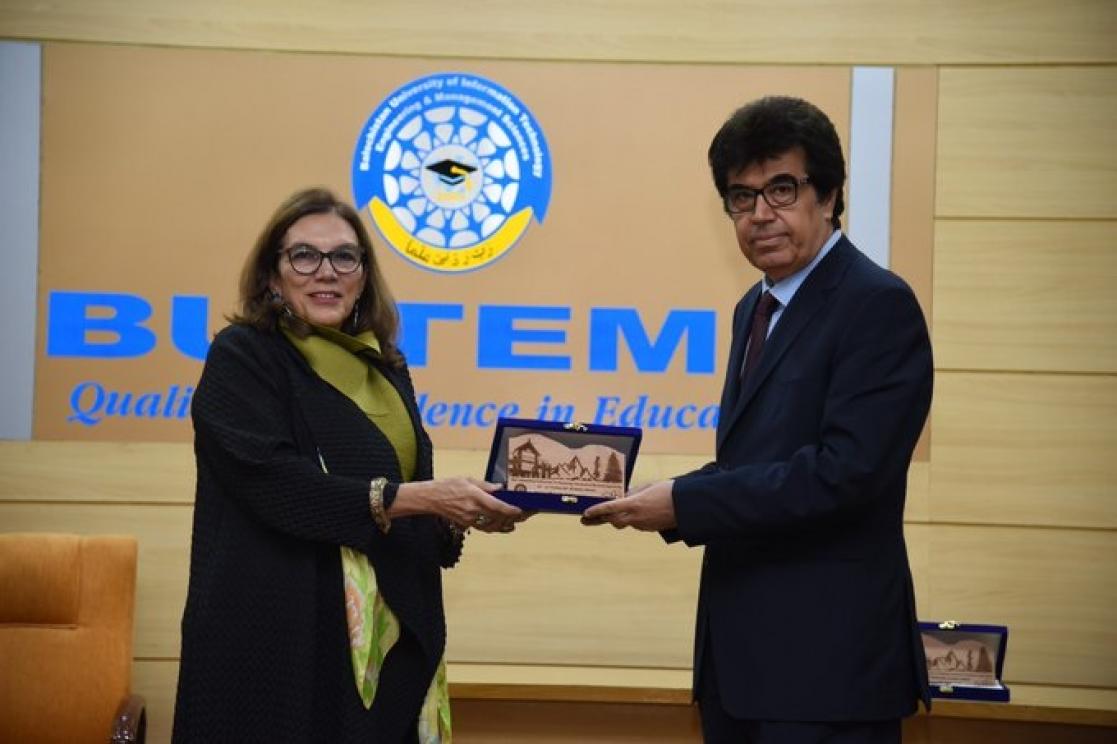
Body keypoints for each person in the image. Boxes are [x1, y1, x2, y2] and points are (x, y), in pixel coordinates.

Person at [583, 96, 933, 743]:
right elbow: (753, 466)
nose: (759, 215)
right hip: (741, 668)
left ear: (827, 196)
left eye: (780, 189)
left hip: (827, 676)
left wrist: (683, 503)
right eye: (740, 198)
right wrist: (636, 498)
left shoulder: (876, 305)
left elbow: (842, 476)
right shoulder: (755, 308)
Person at [172, 187, 523, 743]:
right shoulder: (244, 357)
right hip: (275, 638)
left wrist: (461, 512)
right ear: (272, 275)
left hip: (383, 641)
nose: (325, 272)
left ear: (364, 274)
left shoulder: (384, 366)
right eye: (304, 256)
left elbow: (408, 490)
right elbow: (276, 483)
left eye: (344, 257)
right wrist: (424, 498)